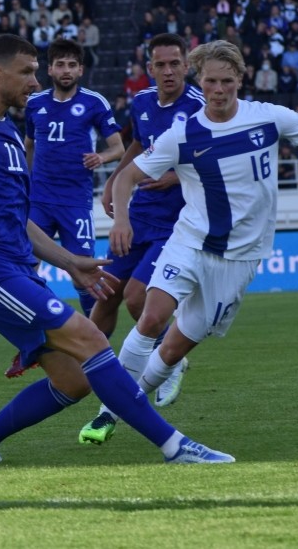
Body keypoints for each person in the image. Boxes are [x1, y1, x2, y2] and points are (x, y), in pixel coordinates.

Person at [0, 35, 233, 465]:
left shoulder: (9, 134)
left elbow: (21, 220)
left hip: (19, 268)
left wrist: (70, 262)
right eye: (26, 72)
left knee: (74, 381)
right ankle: (175, 446)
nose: (35, 81)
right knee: (92, 337)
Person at [100, 41, 298, 424]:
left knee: (171, 352)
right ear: (200, 81)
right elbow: (128, 176)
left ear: (240, 78)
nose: (218, 90)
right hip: (190, 241)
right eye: (210, 82)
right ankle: (110, 411)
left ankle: (130, 401)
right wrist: (121, 219)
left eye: (226, 81)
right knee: (151, 317)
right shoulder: (182, 134)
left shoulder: (267, 118)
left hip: (239, 258)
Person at [78, 34, 205, 446]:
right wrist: (116, 179)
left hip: (176, 223)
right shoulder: (144, 102)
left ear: (186, 66)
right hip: (140, 217)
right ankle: (91, 368)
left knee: (137, 298)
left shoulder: (200, 106)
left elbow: (215, 159)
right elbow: (137, 143)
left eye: (175, 63)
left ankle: (171, 358)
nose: (168, 71)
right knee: (105, 295)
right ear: (149, 68)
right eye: (160, 64)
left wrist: (174, 177)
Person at [24, 39, 124, 319]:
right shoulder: (35, 103)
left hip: (75, 202)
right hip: (39, 200)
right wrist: (25, 182)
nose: (66, 70)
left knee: (84, 274)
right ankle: (40, 330)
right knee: (26, 267)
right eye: (60, 65)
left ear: (80, 70)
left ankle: (96, 335)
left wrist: (101, 157)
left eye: (71, 65)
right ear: (50, 69)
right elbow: (29, 145)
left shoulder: (94, 103)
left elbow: (118, 148)